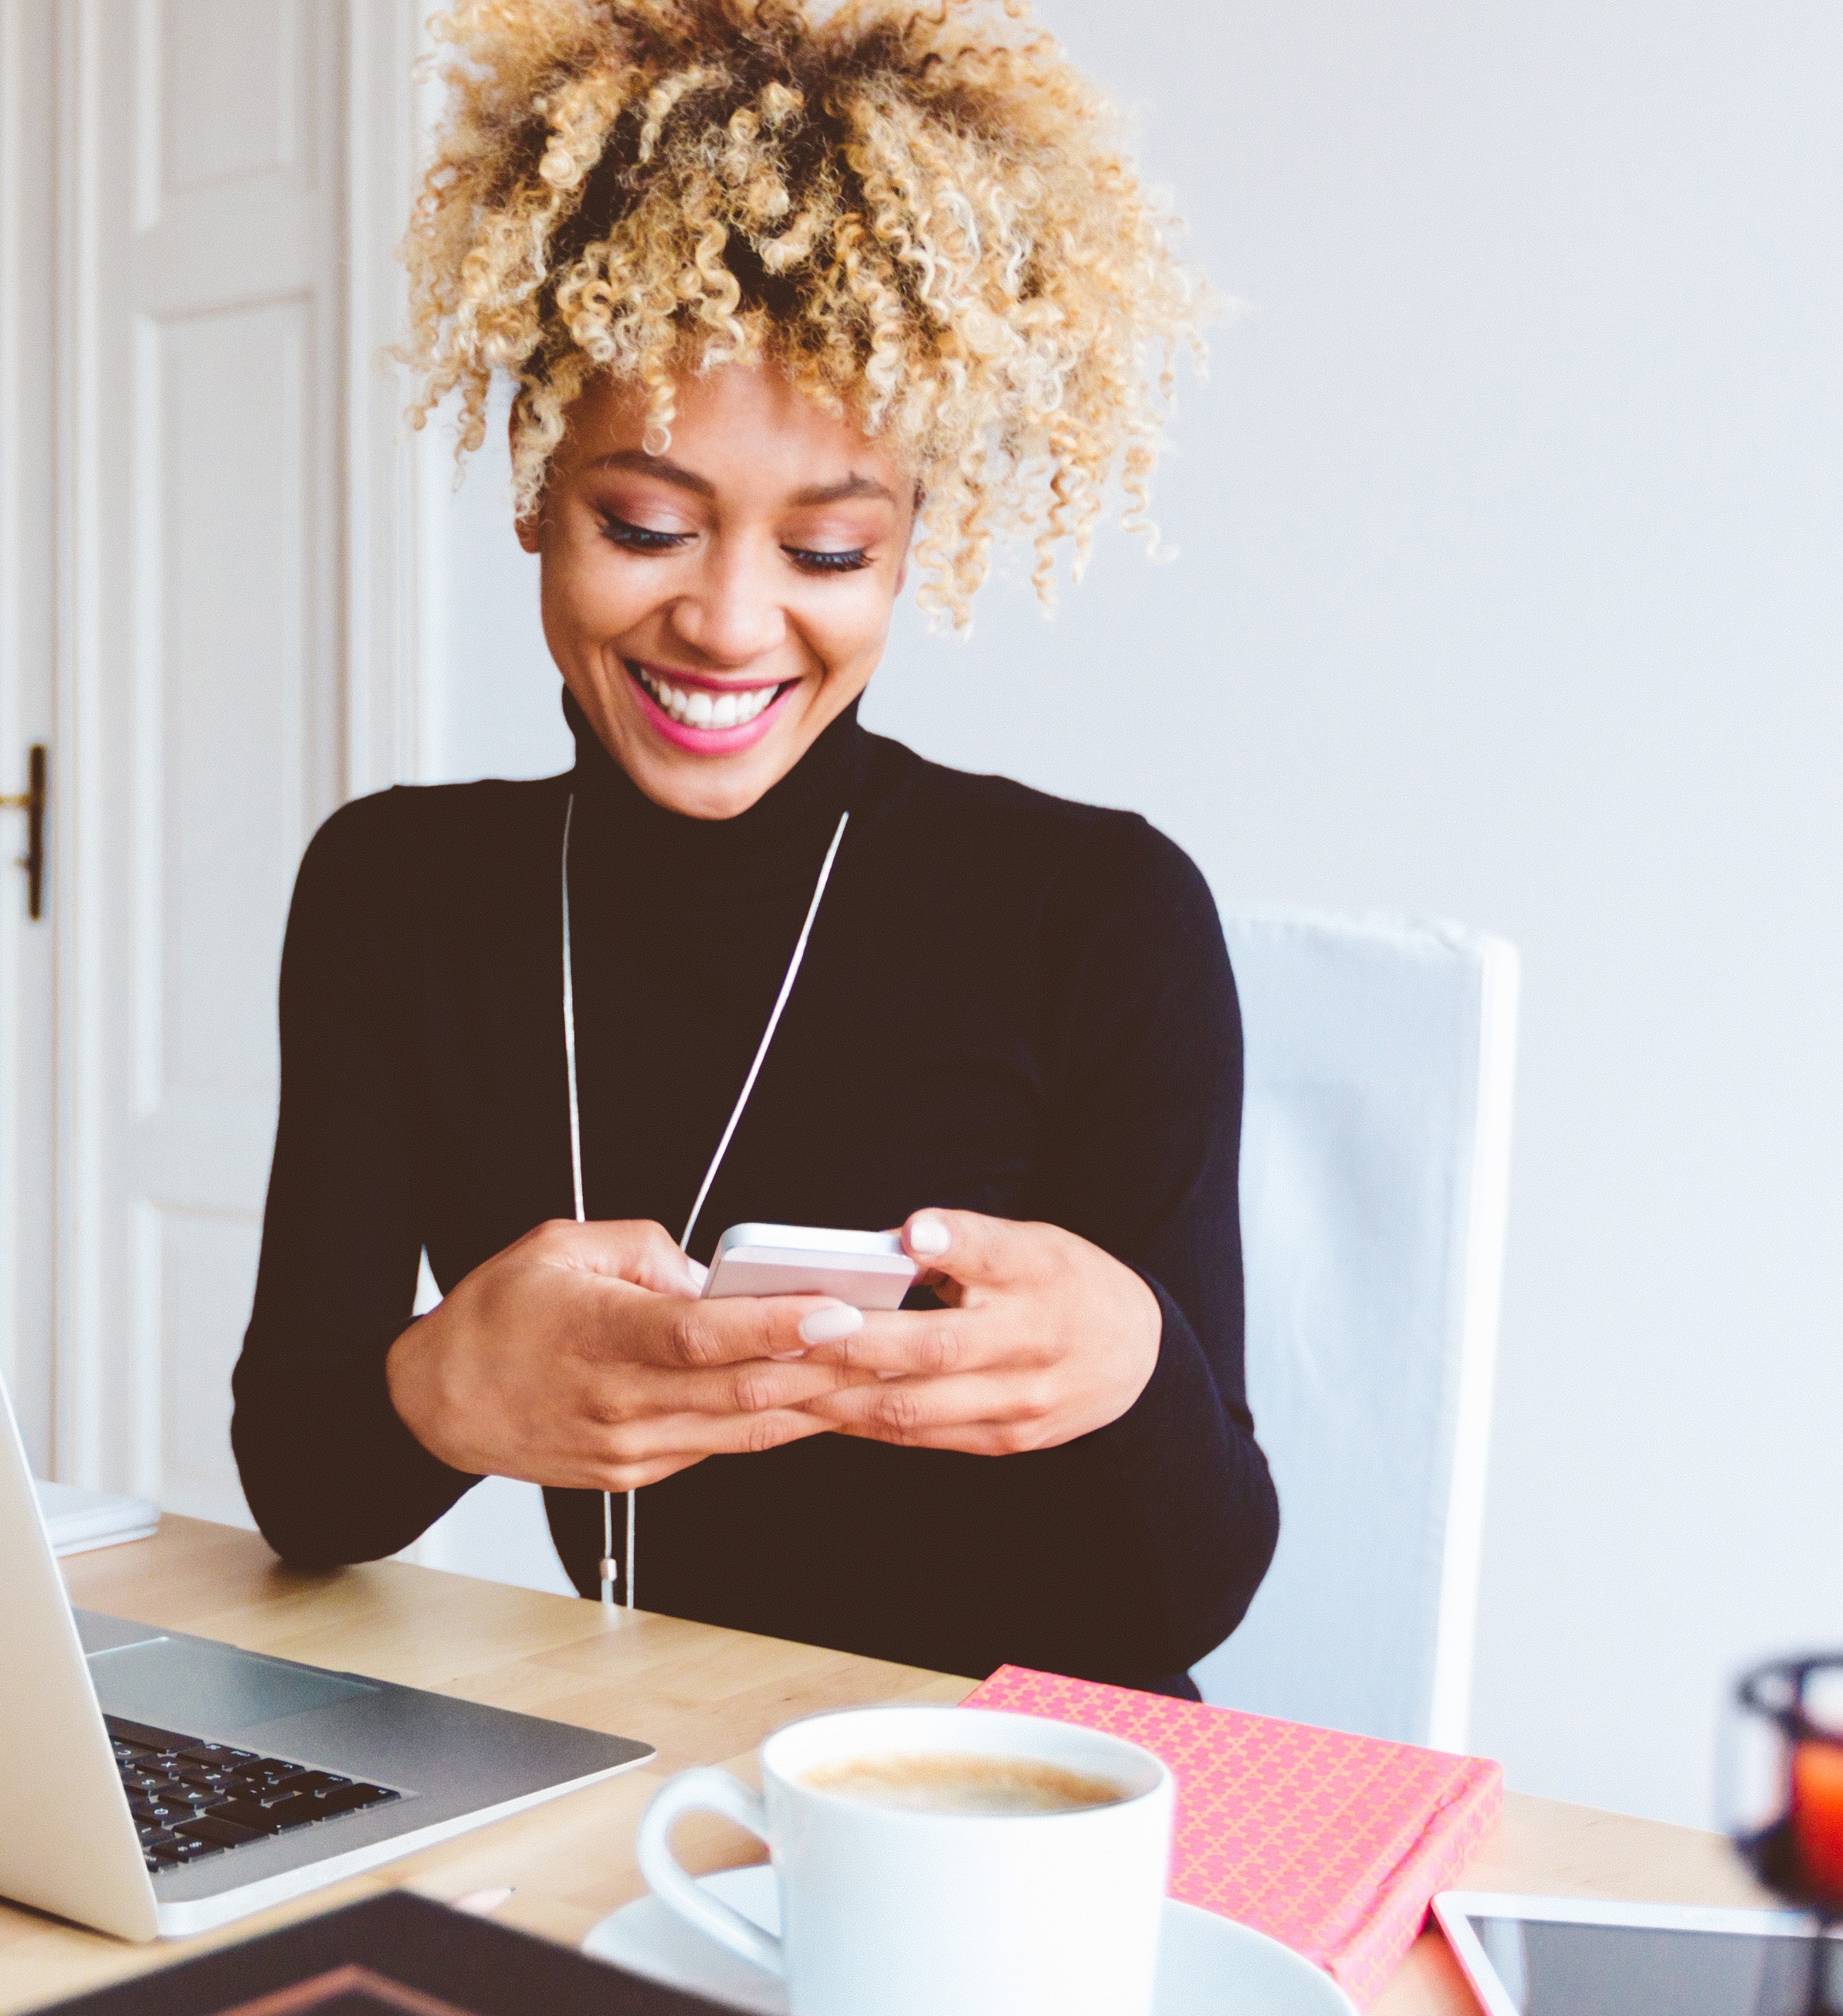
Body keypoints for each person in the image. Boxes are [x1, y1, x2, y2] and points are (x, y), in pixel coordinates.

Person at [228, 0, 1276, 1694]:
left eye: (830, 549)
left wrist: (1132, 1364)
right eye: (642, 522)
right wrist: (440, 1385)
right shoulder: (395, 897)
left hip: (1010, 1818)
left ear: (910, 538)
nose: (724, 622)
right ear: (528, 484)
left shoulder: (1102, 913)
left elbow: (1200, 1593)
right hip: (636, 1760)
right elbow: (304, 1486)